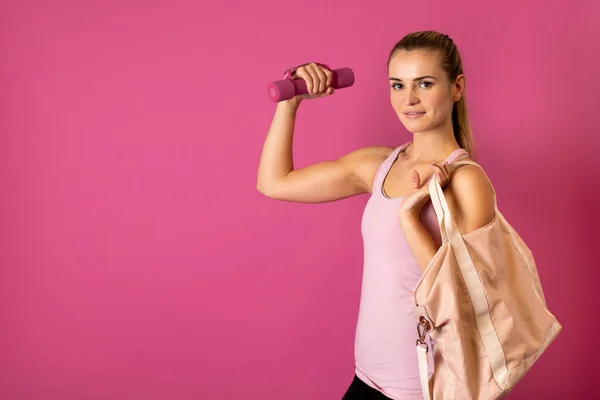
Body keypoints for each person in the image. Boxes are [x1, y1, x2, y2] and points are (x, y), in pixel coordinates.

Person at [256, 30, 495, 400]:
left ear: (457, 87)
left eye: (425, 83)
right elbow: (275, 183)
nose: (409, 99)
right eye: (397, 85)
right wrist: (291, 103)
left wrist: (410, 218)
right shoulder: (379, 165)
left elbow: (462, 297)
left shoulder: (466, 180)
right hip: (366, 380)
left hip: (425, 389)